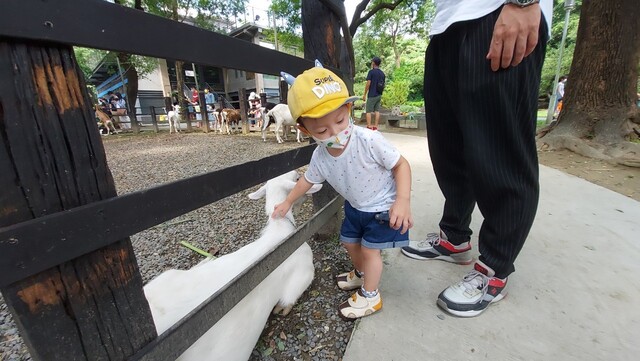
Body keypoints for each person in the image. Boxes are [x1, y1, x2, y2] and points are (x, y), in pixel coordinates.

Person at [401, 0, 553, 317]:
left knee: (501, 154)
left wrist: (524, 3)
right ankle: (454, 237)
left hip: (500, 13)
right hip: (446, 26)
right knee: (449, 148)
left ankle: (495, 268)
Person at [274, 63, 413, 320]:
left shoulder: (369, 141)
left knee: (371, 251)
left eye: (340, 120)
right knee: (349, 242)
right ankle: (362, 276)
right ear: (304, 129)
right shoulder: (320, 156)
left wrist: (403, 201)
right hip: (355, 206)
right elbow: (306, 180)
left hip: (382, 207)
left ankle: (371, 296)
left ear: (348, 108)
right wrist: (288, 202)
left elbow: (401, 164)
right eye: (322, 130)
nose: (336, 133)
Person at [362, 56, 385, 130]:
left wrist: (365, 94)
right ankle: (375, 126)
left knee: (368, 111)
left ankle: (369, 126)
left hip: (372, 94)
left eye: (372, 61)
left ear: (374, 63)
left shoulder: (371, 72)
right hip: (379, 94)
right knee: (377, 110)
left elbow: (368, 83)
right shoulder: (382, 73)